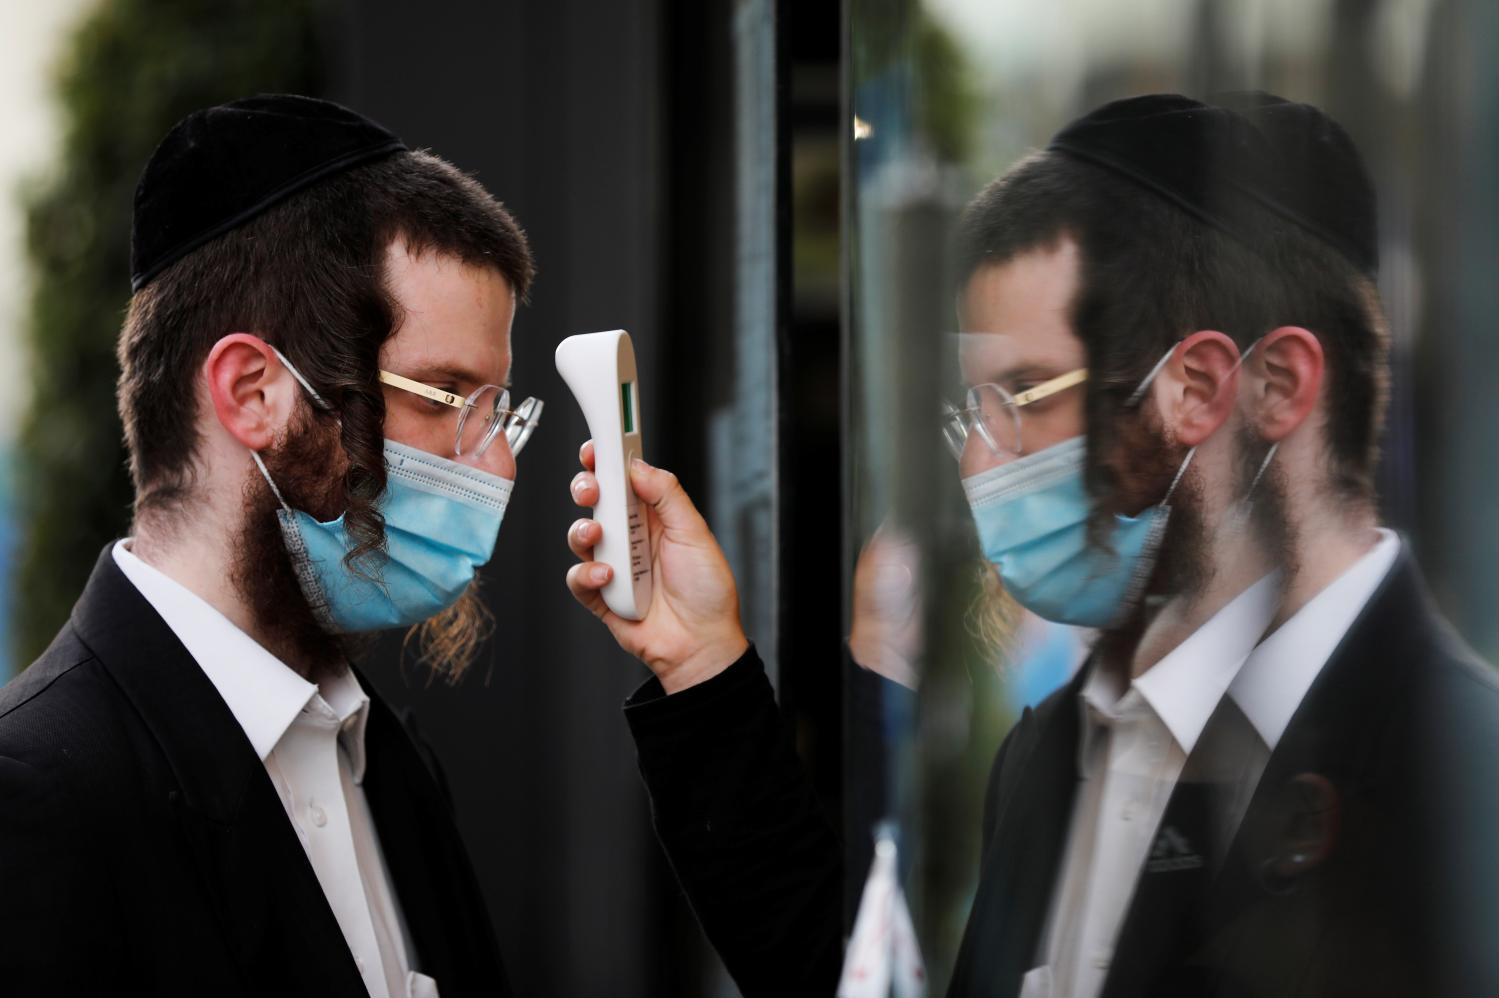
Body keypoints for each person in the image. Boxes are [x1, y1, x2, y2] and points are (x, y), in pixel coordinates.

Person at [565, 94, 1499, 996]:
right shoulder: (1058, 751)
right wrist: (703, 667)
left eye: (1022, 397)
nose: (977, 462)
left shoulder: (1461, 780)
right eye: (973, 408)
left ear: (1265, 388)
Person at [0, 96, 538, 997]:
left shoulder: (390, 765)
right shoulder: (36, 798)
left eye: (499, 412)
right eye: (449, 399)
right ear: (254, 393)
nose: (498, 471)